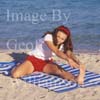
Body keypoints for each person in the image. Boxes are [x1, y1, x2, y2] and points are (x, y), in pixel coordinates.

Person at [11, 25, 85, 84]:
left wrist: (77, 61)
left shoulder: (62, 44)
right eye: (58, 36)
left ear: (65, 40)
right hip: (33, 60)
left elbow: (69, 53)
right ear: (55, 33)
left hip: (46, 63)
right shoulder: (48, 37)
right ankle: (18, 66)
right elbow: (56, 51)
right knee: (15, 75)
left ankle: (76, 78)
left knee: (60, 72)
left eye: (62, 39)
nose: (59, 39)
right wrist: (68, 60)